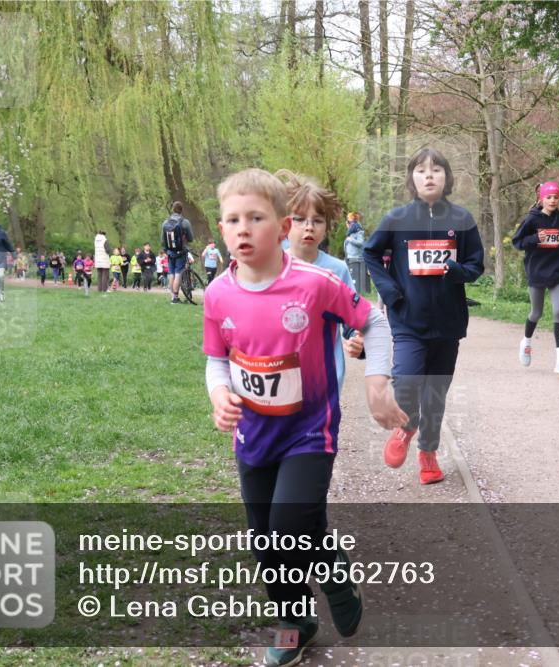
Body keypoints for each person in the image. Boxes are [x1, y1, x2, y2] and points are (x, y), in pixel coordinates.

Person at [205, 168, 406, 667]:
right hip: (252, 435)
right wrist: (219, 393)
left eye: (256, 217)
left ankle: (303, 613)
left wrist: (376, 382)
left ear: (282, 225)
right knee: (265, 542)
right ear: (221, 228)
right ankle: (305, 613)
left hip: (308, 431)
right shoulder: (216, 294)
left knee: (288, 525)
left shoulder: (316, 284)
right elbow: (215, 357)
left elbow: (373, 320)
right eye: (233, 219)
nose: (243, 229)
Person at [363, 147, 485, 485]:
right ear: (411, 179)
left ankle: (428, 453)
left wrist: (459, 270)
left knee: (436, 393)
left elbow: (477, 265)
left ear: (447, 178)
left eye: (436, 170)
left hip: (448, 324)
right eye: (420, 170)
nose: (428, 175)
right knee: (405, 383)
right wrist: (390, 291)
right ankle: (406, 428)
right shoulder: (397, 220)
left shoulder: (462, 220)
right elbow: (371, 253)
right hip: (408, 320)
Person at [278, 170, 366, 389]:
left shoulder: (337, 270)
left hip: (325, 383)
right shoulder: (270, 268)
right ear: (284, 224)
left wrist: (359, 342)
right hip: (280, 382)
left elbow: (352, 320)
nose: (309, 226)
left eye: (317, 220)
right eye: (299, 219)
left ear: (326, 228)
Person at [511, 181, 559, 374]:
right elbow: (517, 242)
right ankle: (526, 341)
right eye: (549, 197)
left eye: (556, 197)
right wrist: (536, 239)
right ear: (541, 198)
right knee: (536, 312)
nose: (552, 200)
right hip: (537, 270)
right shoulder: (531, 219)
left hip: (558, 270)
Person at [161, 201, 194, 303]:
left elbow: (162, 241)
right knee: (178, 272)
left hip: (170, 252)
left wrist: (167, 251)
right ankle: (176, 297)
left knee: (171, 273)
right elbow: (191, 238)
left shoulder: (165, 222)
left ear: (172, 209)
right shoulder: (185, 222)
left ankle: (173, 297)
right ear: (181, 210)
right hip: (180, 251)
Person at [344, 211, 369, 294]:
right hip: (349, 257)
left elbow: (360, 243)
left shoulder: (358, 231)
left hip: (356, 258)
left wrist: (350, 240)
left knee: (355, 279)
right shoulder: (351, 232)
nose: (347, 224)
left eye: (348, 222)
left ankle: (358, 293)